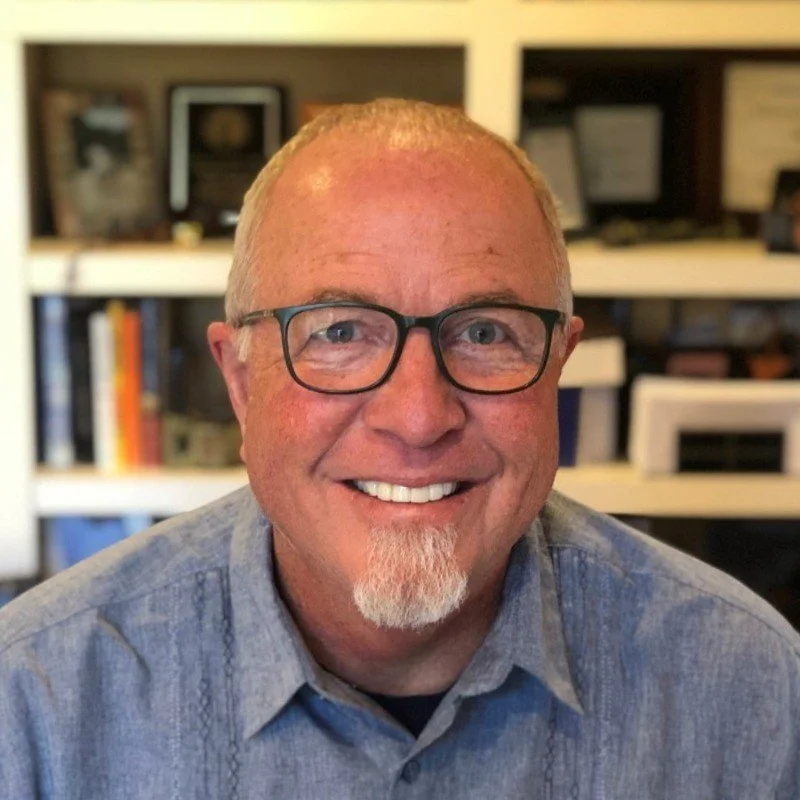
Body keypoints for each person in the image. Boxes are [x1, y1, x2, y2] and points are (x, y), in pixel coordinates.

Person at [2, 99, 799, 799]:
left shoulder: (753, 690)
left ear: (559, 365)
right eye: (340, 333)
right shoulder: (33, 706)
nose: (419, 416)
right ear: (241, 384)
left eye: (486, 332)